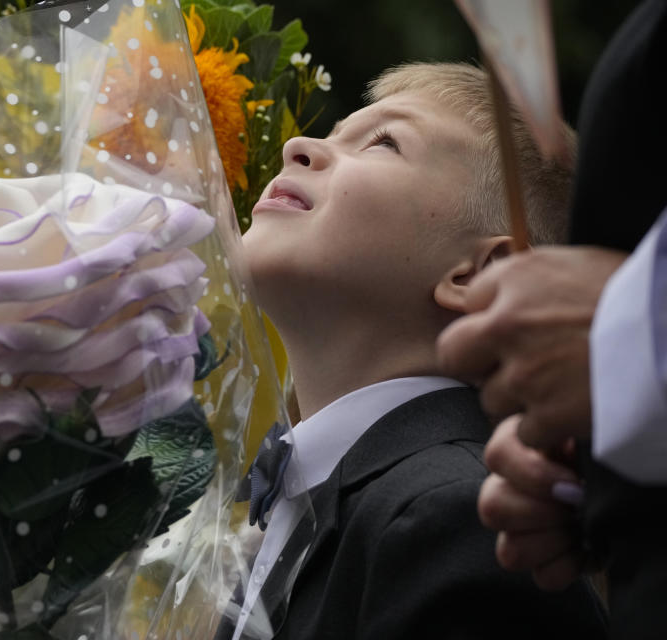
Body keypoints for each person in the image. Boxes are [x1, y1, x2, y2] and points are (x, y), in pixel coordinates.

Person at [218, 61, 607, 640]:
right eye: (333, 132)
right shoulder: (313, 508)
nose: (299, 146)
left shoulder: (456, 521)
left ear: (481, 276)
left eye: (382, 143)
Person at [436, 0, 667, 637]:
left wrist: (630, 329)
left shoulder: (434, 511)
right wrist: (600, 466)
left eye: (381, 142)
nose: (298, 144)